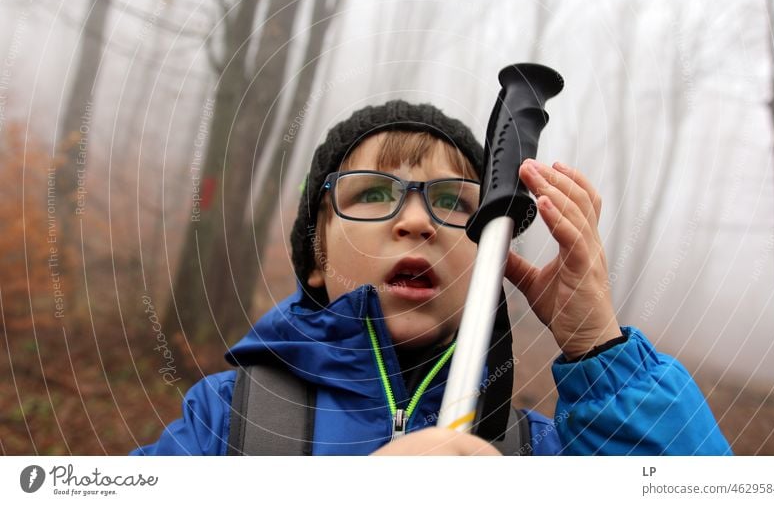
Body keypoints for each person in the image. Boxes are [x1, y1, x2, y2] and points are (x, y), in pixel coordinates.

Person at [131, 100, 732, 456]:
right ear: (315, 255)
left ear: (487, 263)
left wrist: (601, 353)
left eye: (453, 202)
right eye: (371, 194)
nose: (418, 221)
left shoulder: (542, 453)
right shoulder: (227, 421)